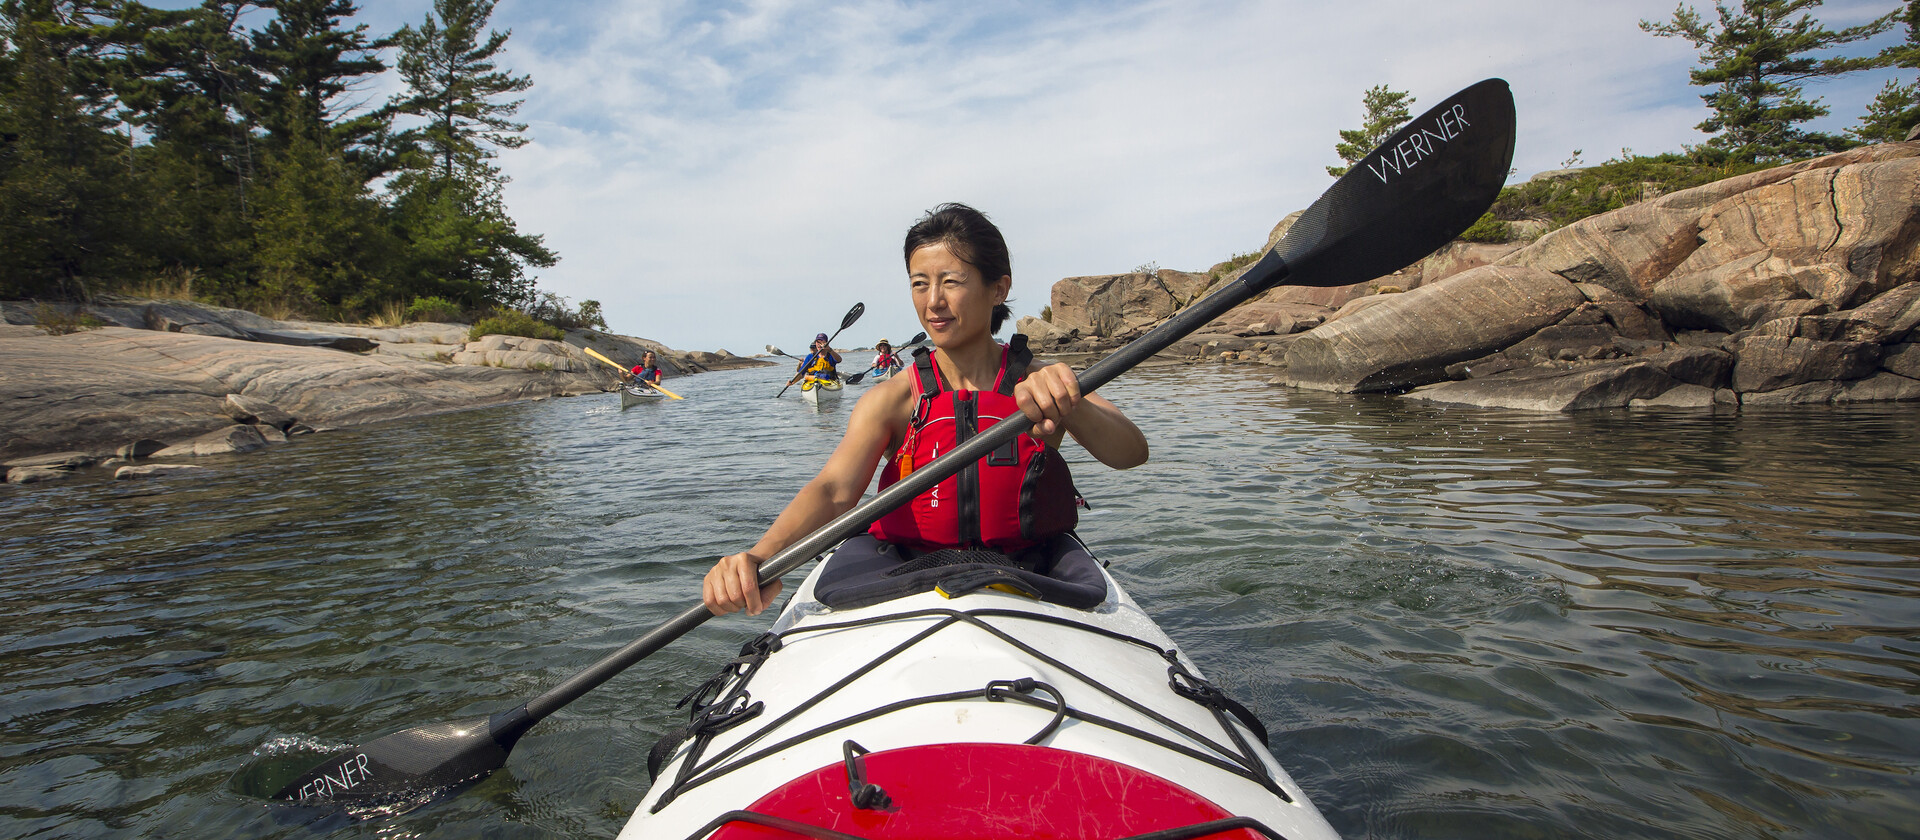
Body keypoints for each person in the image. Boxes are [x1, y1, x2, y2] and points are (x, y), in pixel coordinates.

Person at [705, 203, 1147, 616]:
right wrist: (760, 556)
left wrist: (1071, 405)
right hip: (908, 572)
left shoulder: (1041, 382)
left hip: (1026, 569)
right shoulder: (893, 399)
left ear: (999, 288)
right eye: (919, 283)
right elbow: (835, 490)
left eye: (951, 281)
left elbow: (1130, 453)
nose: (932, 300)